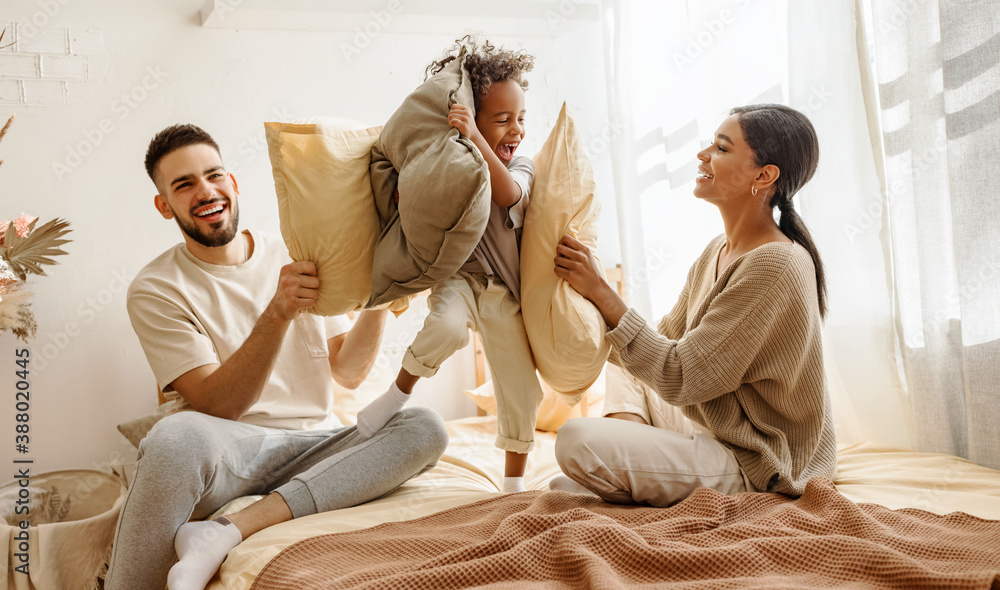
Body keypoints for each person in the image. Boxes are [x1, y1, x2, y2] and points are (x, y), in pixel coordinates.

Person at [106, 124, 449, 590]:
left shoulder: (295, 250)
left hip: (313, 447)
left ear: (233, 183)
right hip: (229, 453)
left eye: (214, 175)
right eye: (184, 185)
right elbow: (217, 405)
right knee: (173, 437)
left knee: (424, 426)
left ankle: (227, 531)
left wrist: (380, 299)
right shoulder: (156, 289)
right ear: (163, 205)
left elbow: (347, 372)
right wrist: (278, 312)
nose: (205, 191)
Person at [550, 104, 837, 506]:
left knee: (576, 440)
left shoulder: (776, 263)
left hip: (755, 459)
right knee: (629, 362)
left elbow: (681, 377)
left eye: (721, 148)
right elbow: (662, 343)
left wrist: (602, 291)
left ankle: (630, 464)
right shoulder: (717, 251)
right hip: (716, 420)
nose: (703, 155)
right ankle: (634, 456)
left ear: (764, 175)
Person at [356, 36, 543, 494]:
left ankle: (514, 486)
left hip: (503, 292)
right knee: (447, 327)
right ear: (468, 116)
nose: (515, 130)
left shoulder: (523, 166)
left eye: (520, 119)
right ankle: (397, 394)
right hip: (458, 280)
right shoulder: (449, 167)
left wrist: (479, 138)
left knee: (520, 388)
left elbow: (509, 196)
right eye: (502, 120)